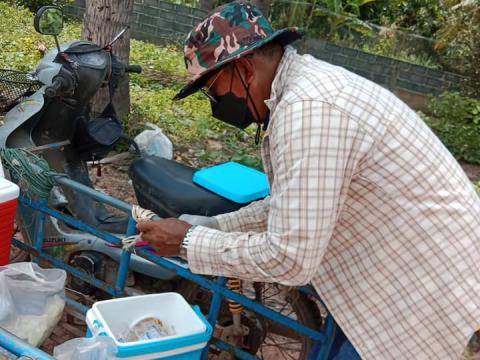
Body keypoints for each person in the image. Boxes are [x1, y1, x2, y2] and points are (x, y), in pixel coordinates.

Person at [137, 1, 480, 359]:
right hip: (395, 280)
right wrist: (218, 225)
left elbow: (290, 258)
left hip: (427, 302)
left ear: (243, 68)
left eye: (214, 90)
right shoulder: (304, 93)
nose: (216, 102)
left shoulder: (310, 111)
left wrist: (190, 243)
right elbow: (293, 204)